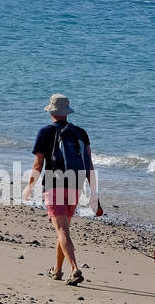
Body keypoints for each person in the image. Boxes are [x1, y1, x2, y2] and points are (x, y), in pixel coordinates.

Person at [21, 93, 102, 285]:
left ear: (51, 111)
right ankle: (57, 270)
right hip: (76, 184)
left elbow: (38, 164)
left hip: (54, 184)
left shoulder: (45, 132)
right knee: (63, 229)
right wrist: (94, 194)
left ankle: (74, 269)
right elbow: (89, 164)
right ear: (67, 112)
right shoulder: (81, 133)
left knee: (62, 230)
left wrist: (28, 187)